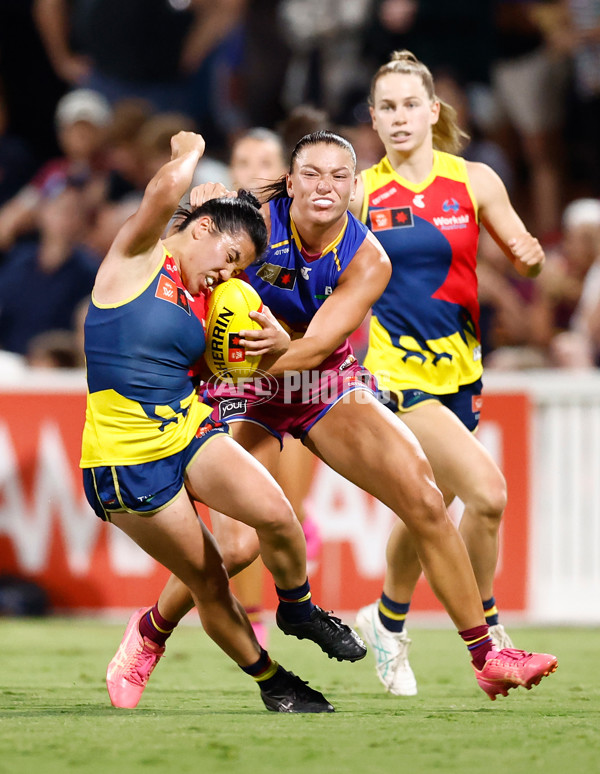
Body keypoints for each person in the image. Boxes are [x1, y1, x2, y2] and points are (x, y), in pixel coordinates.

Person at [109, 129, 558, 705]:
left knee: (423, 498)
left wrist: (270, 349)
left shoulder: (370, 258)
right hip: (244, 387)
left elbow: (319, 347)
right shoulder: (255, 223)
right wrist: (199, 205)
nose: (325, 186)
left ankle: (487, 656)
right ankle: (148, 635)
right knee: (240, 547)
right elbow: (183, 257)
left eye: (338, 176)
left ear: (355, 188)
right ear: (290, 182)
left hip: (319, 382)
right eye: (312, 174)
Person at [81, 129, 367, 714]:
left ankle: (298, 608)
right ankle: (274, 683)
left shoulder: (216, 296)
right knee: (212, 577)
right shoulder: (137, 257)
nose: (228, 274)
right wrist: (188, 154)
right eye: (229, 259)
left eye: (242, 267)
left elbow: (236, 369)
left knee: (278, 519)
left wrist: (272, 344)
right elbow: (163, 196)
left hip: (189, 430)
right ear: (203, 229)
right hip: (127, 462)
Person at [344, 49, 549, 696]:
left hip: (462, 373)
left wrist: (528, 258)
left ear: (433, 112)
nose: (400, 117)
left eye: (411, 105)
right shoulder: (361, 191)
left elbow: (523, 250)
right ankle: (491, 640)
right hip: (390, 375)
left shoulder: (476, 181)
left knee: (425, 506)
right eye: (387, 107)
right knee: (487, 494)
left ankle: (386, 621)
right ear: (373, 119)